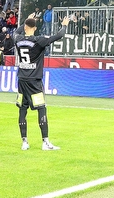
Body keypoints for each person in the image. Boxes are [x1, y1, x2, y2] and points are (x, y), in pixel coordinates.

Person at [13, 13, 72, 151]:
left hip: (22, 80)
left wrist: (27, 21)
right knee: (41, 108)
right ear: (35, 27)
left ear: (25, 27)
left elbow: (16, 31)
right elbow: (58, 36)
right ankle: (45, 142)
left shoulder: (18, 39)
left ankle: (24, 142)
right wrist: (64, 25)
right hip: (34, 81)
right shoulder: (38, 40)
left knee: (22, 109)